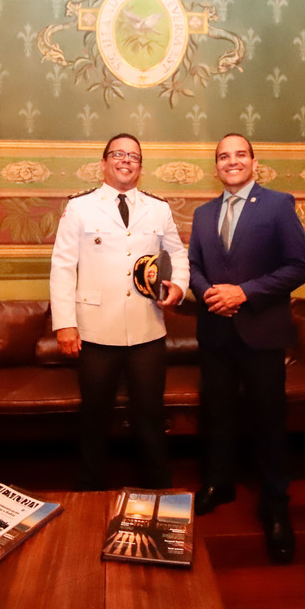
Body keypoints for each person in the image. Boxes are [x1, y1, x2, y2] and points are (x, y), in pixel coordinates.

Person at [187, 133, 305, 564]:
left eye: (240, 154)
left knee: (268, 419)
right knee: (217, 414)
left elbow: (299, 267)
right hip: (215, 333)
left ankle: (275, 503)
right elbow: (195, 269)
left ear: (254, 162)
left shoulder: (278, 205)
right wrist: (210, 295)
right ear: (216, 166)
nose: (232, 161)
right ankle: (218, 483)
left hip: (262, 333)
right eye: (224, 156)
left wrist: (243, 293)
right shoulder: (203, 214)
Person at [50, 133, 190, 490]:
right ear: (104, 162)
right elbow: (63, 266)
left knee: (150, 415)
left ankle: (157, 486)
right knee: (95, 417)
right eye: (118, 154)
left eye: (134, 157)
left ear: (140, 168)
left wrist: (179, 286)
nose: (126, 160)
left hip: (147, 330)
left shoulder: (158, 208)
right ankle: (90, 487)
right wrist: (65, 325)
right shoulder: (80, 208)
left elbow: (176, 254)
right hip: (95, 331)